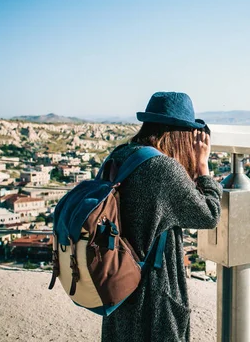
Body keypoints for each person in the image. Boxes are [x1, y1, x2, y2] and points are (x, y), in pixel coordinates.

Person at [101, 92, 222, 342]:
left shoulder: (120, 155)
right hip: (154, 290)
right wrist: (203, 168)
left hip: (117, 280)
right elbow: (209, 214)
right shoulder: (164, 169)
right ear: (180, 134)